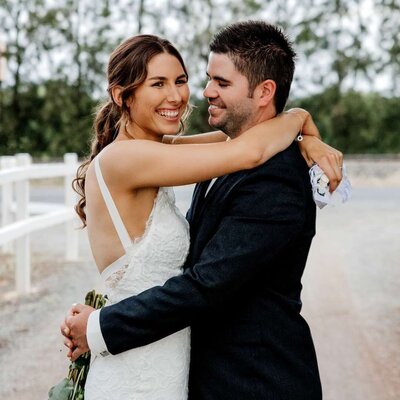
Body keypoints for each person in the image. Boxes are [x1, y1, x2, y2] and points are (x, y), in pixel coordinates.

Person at [62, 23, 342, 400]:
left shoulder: (257, 173)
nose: (184, 94)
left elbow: (243, 147)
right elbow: (246, 150)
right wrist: (300, 119)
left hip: (251, 380)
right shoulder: (131, 157)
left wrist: (301, 127)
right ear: (122, 95)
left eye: (182, 80)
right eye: (158, 83)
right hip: (144, 364)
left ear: (264, 92)